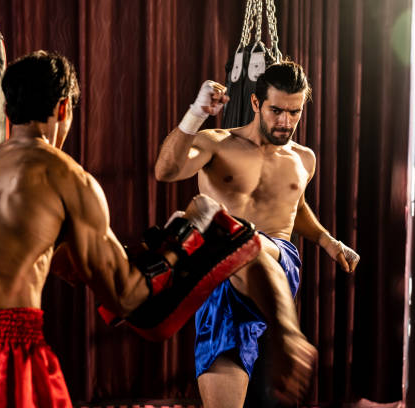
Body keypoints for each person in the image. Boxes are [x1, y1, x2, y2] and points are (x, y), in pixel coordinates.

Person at [0, 50, 262, 408]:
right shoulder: (64, 175)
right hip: (6, 356)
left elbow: (39, 258)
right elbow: (127, 298)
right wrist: (185, 235)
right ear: (64, 107)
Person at [154, 61, 359, 407]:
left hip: (277, 259)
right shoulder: (218, 144)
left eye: (294, 113)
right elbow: (166, 171)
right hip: (220, 279)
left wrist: (328, 241)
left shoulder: (303, 159)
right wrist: (196, 114)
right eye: (276, 110)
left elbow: (296, 207)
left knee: (240, 238)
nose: (285, 122)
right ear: (255, 103)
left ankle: (287, 334)